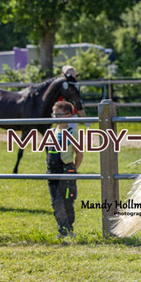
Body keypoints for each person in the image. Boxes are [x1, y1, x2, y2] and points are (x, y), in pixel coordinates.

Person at [46, 101, 83, 239]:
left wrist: (74, 169)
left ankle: (68, 229)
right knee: (56, 202)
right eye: (53, 114)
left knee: (67, 202)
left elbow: (79, 153)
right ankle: (63, 230)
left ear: (68, 116)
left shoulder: (72, 133)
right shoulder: (51, 132)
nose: (54, 117)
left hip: (65, 170)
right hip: (52, 172)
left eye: (58, 115)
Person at [57, 65, 87, 132]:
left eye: (73, 73)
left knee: (72, 132)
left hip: (73, 113)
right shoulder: (61, 85)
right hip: (63, 113)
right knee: (62, 132)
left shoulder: (74, 85)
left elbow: (77, 102)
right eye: (70, 73)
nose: (72, 75)